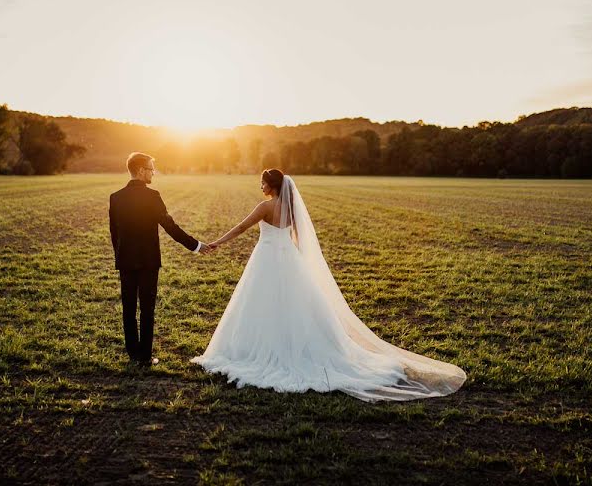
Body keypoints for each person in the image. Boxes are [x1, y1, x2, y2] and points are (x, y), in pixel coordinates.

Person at [192, 168, 466, 402]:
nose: (260, 185)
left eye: (263, 182)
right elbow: (299, 236)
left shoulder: (265, 207)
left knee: (261, 303)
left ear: (271, 186)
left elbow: (241, 228)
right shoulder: (291, 208)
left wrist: (217, 242)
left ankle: (257, 352)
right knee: (294, 305)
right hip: (289, 258)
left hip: (266, 258)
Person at [109, 152, 211, 367]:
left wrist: (120, 256)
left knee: (128, 308)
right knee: (147, 308)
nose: (153, 173)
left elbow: (114, 234)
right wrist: (196, 246)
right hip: (148, 261)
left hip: (125, 260)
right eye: (150, 169)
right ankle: (144, 357)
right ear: (140, 171)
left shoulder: (115, 197)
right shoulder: (152, 196)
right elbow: (170, 227)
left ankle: (133, 355)